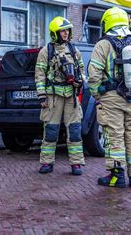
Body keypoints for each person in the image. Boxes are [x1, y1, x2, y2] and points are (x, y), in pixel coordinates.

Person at [88, 7, 131, 188]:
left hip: (112, 97)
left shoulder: (103, 44)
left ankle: (116, 176)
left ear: (107, 23)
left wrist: (97, 95)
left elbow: (94, 74)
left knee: (114, 135)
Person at [35, 17, 86, 176]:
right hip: (53, 97)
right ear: (55, 33)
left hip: (71, 96)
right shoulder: (46, 51)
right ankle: (46, 162)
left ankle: (76, 163)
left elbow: (82, 72)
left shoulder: (74, 50)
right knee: (50, 130)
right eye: (62, 31)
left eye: (67, 30)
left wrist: (80, 81)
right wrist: (42, 96)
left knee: (75, 130)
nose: (65, 33)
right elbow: (40, 74)